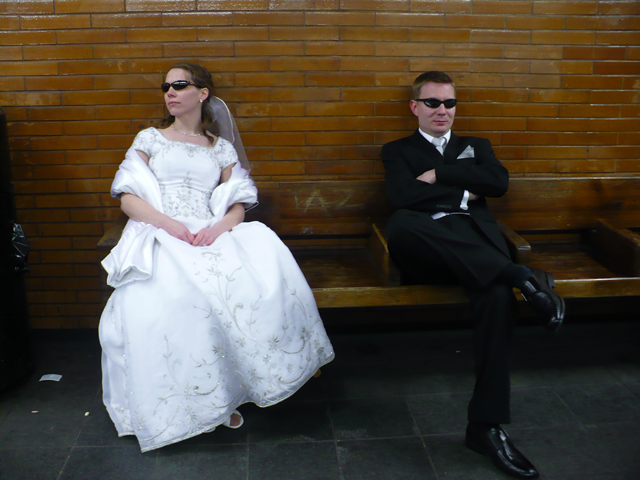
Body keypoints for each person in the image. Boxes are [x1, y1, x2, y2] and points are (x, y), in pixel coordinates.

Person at [98, 63, 334, 452]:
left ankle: (235, 387)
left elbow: (237, 203)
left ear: (202, 93)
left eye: (179, 85)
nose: (170, 92)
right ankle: (197, 401)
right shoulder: (150, 138)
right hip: (161, 229)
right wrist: (169, 226)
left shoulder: (220, 147)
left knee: (248, 283)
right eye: (165, 86)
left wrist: (219, 228)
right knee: (175, 298)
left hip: (209, 231)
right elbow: (127, 197)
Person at [382, 71, 565, 480]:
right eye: (432, 102)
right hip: (428, 249)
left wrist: (439, 175)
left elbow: (498, 183)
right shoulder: (397, 150)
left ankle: (485, 427)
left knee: (497, 297)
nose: (442, 110)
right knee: (401, 222)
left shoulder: (476, 145)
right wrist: (467, 190)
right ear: (415, 106)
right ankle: (522, 276)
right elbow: (402, 197)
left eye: (449, 103)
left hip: (477, 246)